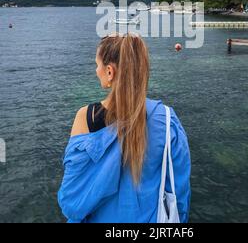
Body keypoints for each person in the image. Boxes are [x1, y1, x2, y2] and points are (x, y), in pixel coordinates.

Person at [58, 33, 191, 223]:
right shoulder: (168, 119)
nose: (96, 71)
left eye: (97, 65)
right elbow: (179, 193)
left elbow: (71, 200)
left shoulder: (86, 118)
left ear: (110, 71)